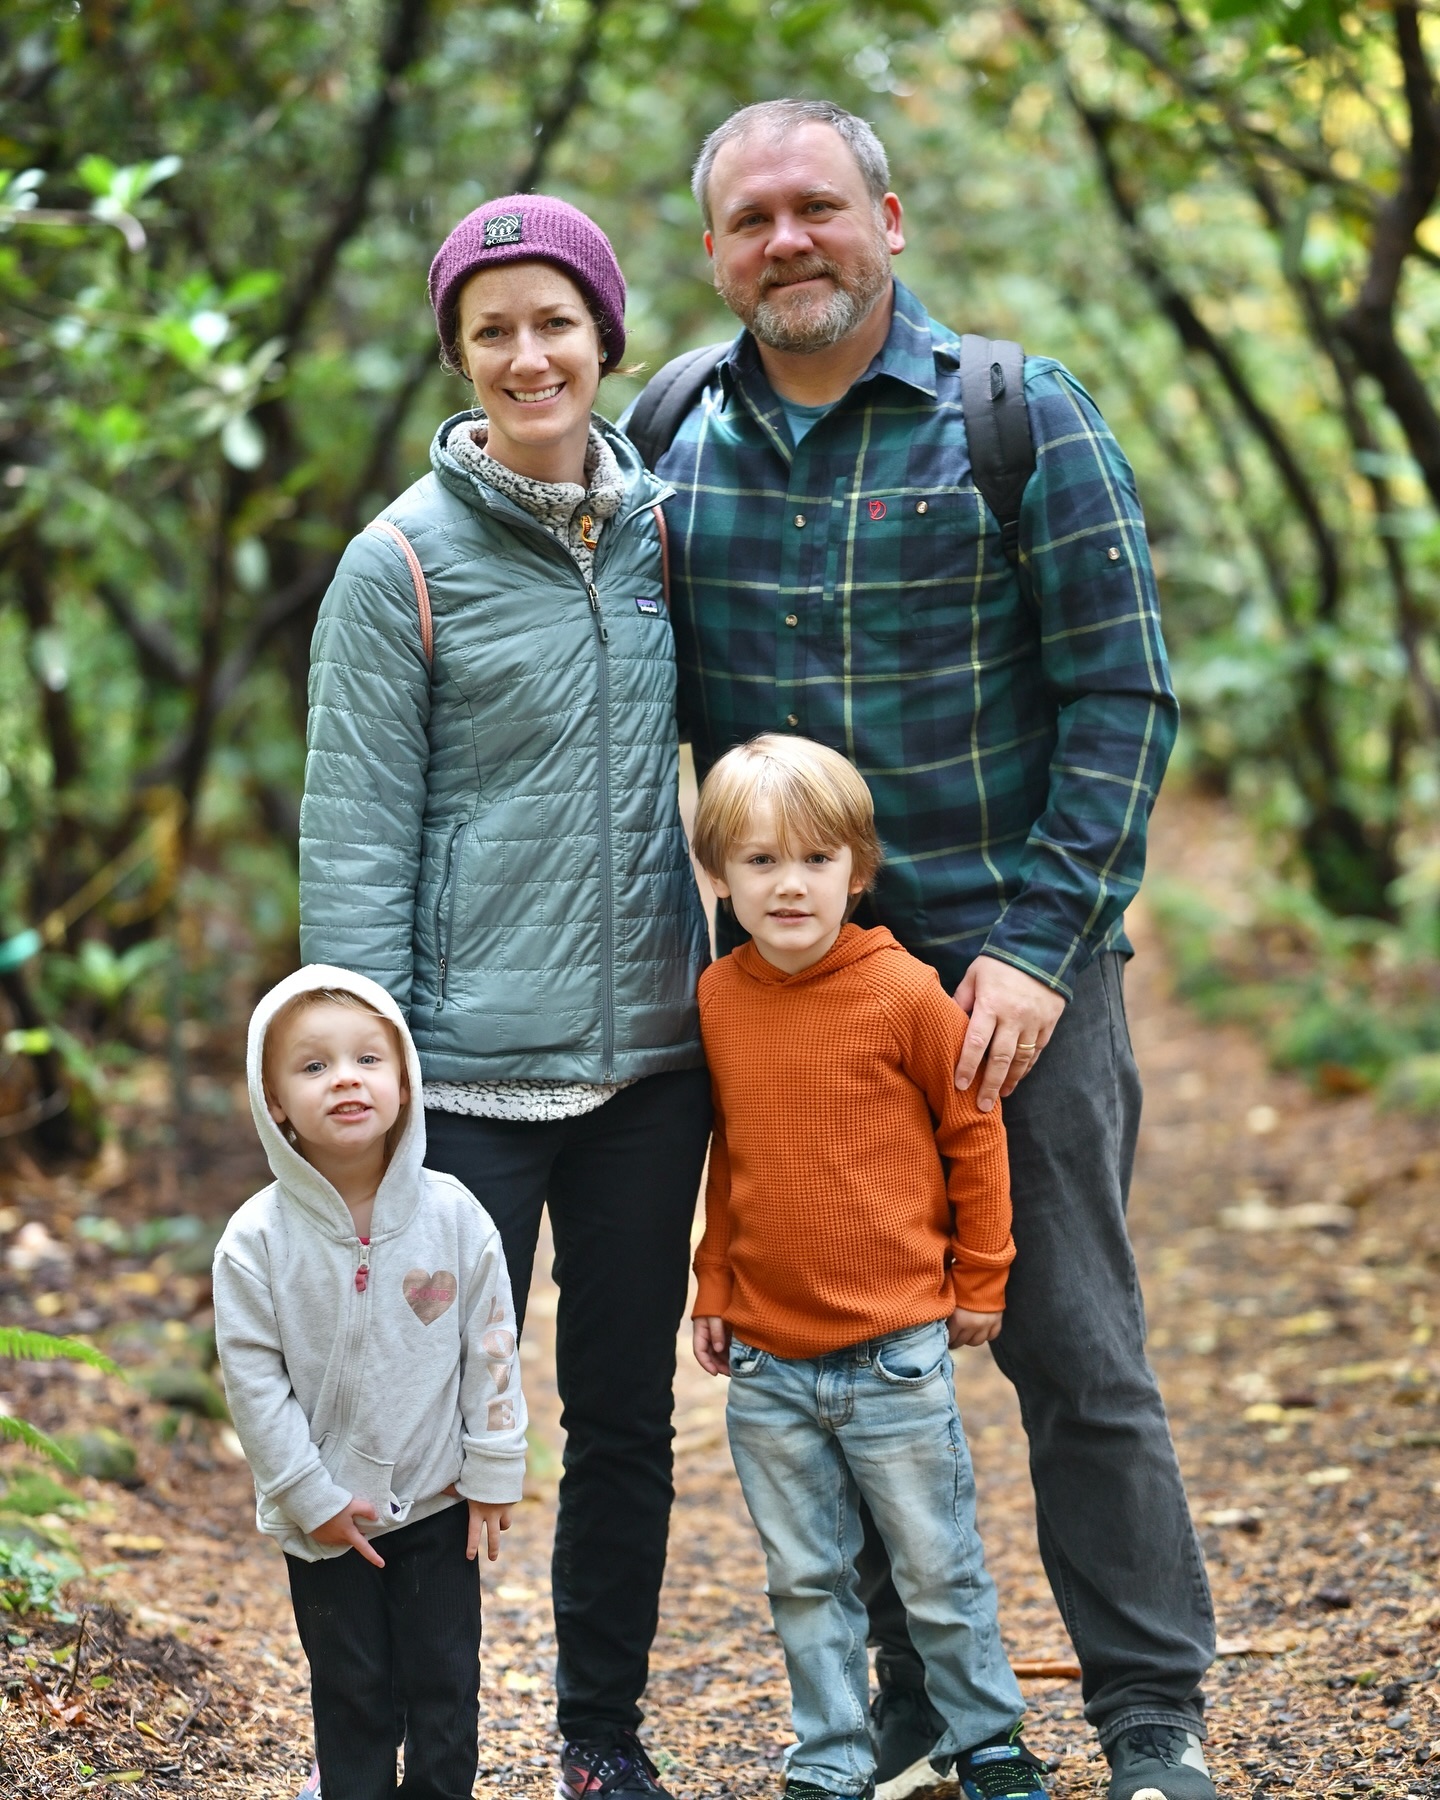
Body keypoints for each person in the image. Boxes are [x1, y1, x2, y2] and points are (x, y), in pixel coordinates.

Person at [634, 98, 1215, 1800]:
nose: (788, 242)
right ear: (715, 251)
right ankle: (910, 1706)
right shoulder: (670, 432)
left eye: (819, 207)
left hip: (999, 977)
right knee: (831, 1347)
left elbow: (1127, 696)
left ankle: (1149, 1708)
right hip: (794, 984)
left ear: (888, 219)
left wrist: (1043, 947)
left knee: (1072, 1343)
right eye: (752, 221)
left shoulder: (1019, 419)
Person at [297, 195, 713, 1800]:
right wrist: (366, 1094)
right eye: (494, 331)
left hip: (652, 1070)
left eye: (557, 321)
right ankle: (428, 1760)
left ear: (607, 337)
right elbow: (353, 851)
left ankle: (601, 1743)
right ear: (461, 358)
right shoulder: (397, 562)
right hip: (462, 1076)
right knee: (421, 1440)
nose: (529, 354)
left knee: (621, 1419)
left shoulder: (670, 531)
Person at [688, 734, 1047, 1800]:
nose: (788, 884)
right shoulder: (717, 999)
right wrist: (713, 1283)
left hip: (896, 1350)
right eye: (758, 861)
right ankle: (831, 1760)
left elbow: (974, 1130)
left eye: (814, 860)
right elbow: (730, 1157)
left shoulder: (906, 994)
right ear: (720, 875)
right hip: (768, 1360)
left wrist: (982, 1279)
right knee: (806, 1579)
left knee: (938, 1568)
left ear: (859, 868)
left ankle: (987, 1740)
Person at [213, 966, 527, 1799]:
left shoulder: (455, 1215)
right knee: (350, 1697)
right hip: (324, 1521)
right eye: (313, 1067)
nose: (345, 1078)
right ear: (273, 1100)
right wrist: (304, 1493)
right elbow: (251, 1378)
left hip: (437, 1503)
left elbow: (492, 1340)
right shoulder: (256, 1241)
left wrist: (495, 1461)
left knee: (444, 1690)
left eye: (367, 1060)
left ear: (405, 1080)